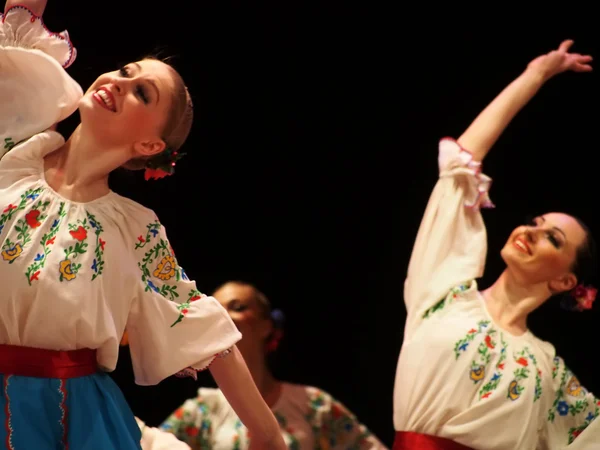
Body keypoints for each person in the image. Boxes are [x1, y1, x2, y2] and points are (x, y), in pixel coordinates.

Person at [0, 1, 287, 449]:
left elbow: (206, 334)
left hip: (68, 418)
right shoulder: (13, 148)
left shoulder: (134, 229)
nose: (119, 82)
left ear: (150, 143)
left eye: (142, 93)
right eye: (125, 71)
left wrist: (271, 437)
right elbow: (14, 30)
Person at [392, 40, 599, 450]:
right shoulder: (444, 291)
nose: (531, 232)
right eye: (533, 223)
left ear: (564, 281)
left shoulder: (548, 371)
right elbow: (461, 164)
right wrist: (535, 75)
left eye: (551, 239)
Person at [157, 280, 389, 450]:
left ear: (266, 326)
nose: (223, 316)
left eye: (237, 307)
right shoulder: (202, 410)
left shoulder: (312, 404)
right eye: (215, 309)